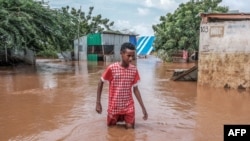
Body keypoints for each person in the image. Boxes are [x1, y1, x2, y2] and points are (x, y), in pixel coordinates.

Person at [96, 42, 148, 129]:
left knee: (130, 130)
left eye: (132, 56)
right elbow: (100, 82)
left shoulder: (134, 70)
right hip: (114, 106)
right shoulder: (112, 68)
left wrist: (143, 108)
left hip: (128, 107)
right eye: (128, 55)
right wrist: (98, 103)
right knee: (112, 130)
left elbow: (136, 90)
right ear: (121, 53)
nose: (131, 59)